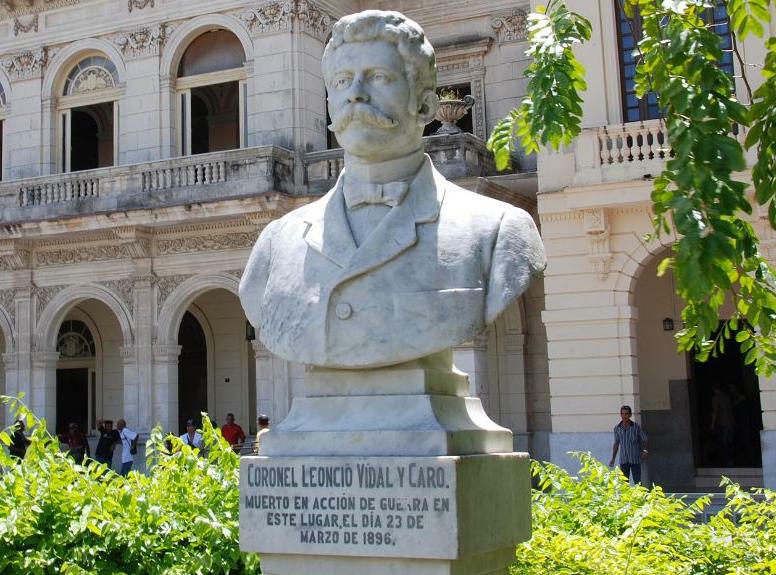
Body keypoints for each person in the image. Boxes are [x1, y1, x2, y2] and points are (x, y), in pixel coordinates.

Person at [239, 10, 545, 369]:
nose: (355, 95)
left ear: (426, 105)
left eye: (378, 78)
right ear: (329, 107)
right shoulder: (276, 244)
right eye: (341, 82)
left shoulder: (499, 231)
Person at [609, 405, 648, 485]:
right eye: (622, 414)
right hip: (624, 459)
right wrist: (613, 458)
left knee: (637, 481)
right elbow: (616, 443)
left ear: (630, 415)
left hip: (635, 459)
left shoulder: (636, 427)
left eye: (626, 414)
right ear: (620, 415)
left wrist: (644, 450)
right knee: (624, 482)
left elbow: (645, 439)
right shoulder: (617, 428)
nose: (624, 416)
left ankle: (639, 497)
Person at [711, 384, 735, 467]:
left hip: (722, 423)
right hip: (731, 422)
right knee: (729, 443)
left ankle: (725, 462)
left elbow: (715, 411)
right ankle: (730, 461)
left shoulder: (716, 398)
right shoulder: (727, 397)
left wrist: (712, 425)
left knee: (723, 443)